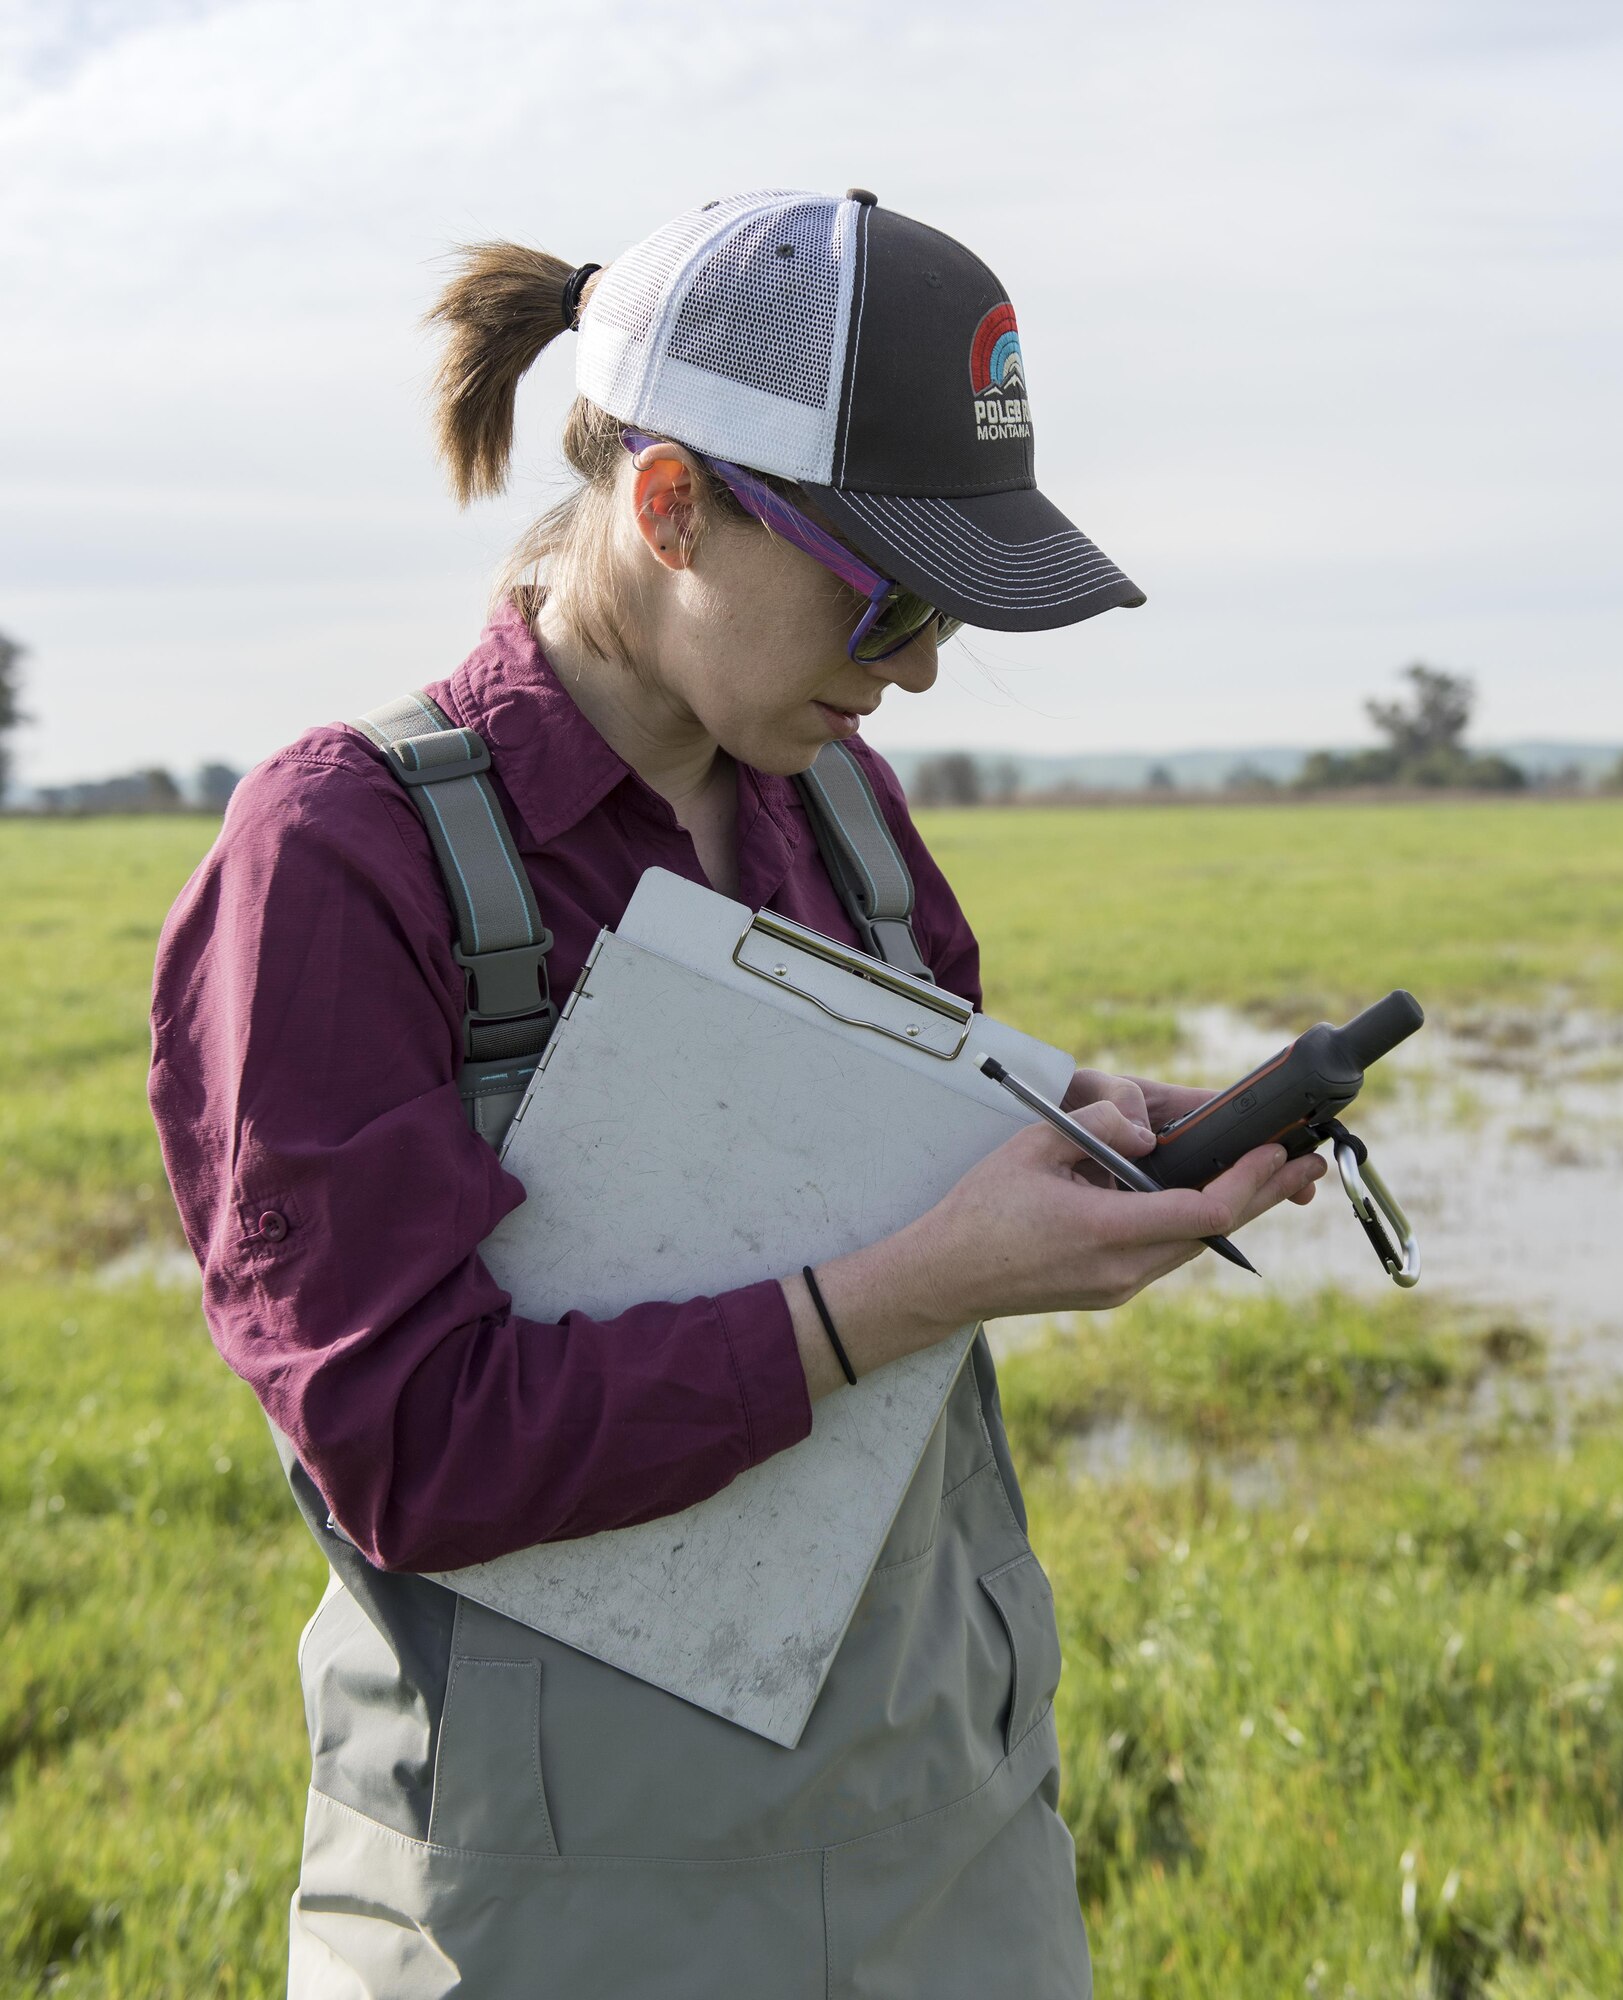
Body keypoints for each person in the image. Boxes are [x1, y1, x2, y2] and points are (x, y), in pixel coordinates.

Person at [149, 188, 1324, 1998]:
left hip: (951, 1841)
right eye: (889, 598)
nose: (921, 668)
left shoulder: (847, 814)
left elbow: (871, 1186)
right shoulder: (340, 856)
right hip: (561, 1916)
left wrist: (1065, 1130)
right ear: (670, 503)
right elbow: (408, 1440)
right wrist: (924, 1283)